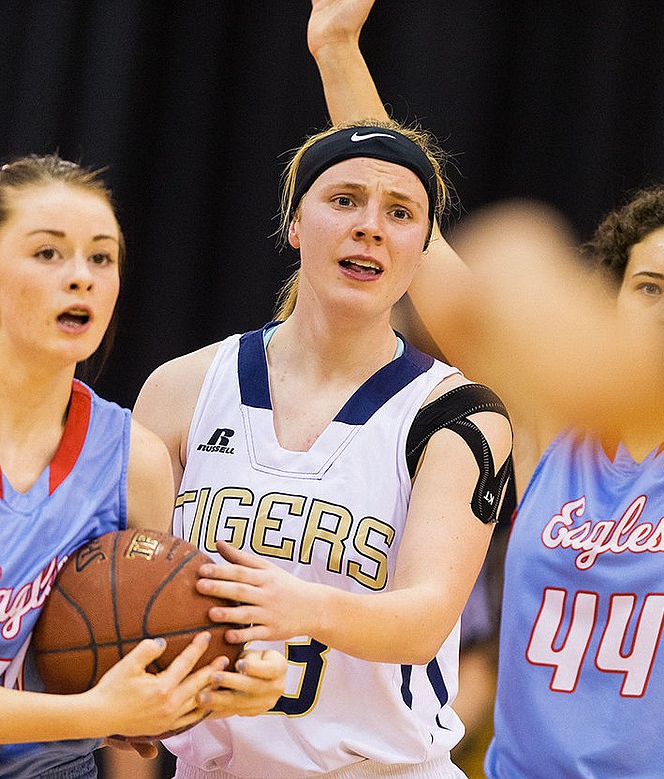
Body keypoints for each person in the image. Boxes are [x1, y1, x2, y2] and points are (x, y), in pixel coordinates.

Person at [307, 0, 664, 775]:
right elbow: (423, 240)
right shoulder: (550, 425)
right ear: (605, 308)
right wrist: (335, 44)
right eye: (649, 286)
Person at [132, 119, 514, 778]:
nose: (370, 226)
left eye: (400, 212)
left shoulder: (459, 414)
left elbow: (425, 618)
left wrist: (299, 606)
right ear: (296, 225)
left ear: (422, 250)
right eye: (344, 200)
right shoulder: (179, 390)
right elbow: (130, 586)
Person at [0, 155, 261, 778]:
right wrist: (90, 712)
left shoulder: (134, 456)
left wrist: (229, 679)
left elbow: (138, 679)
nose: (80, 277)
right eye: (48, 254)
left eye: (101, 257)